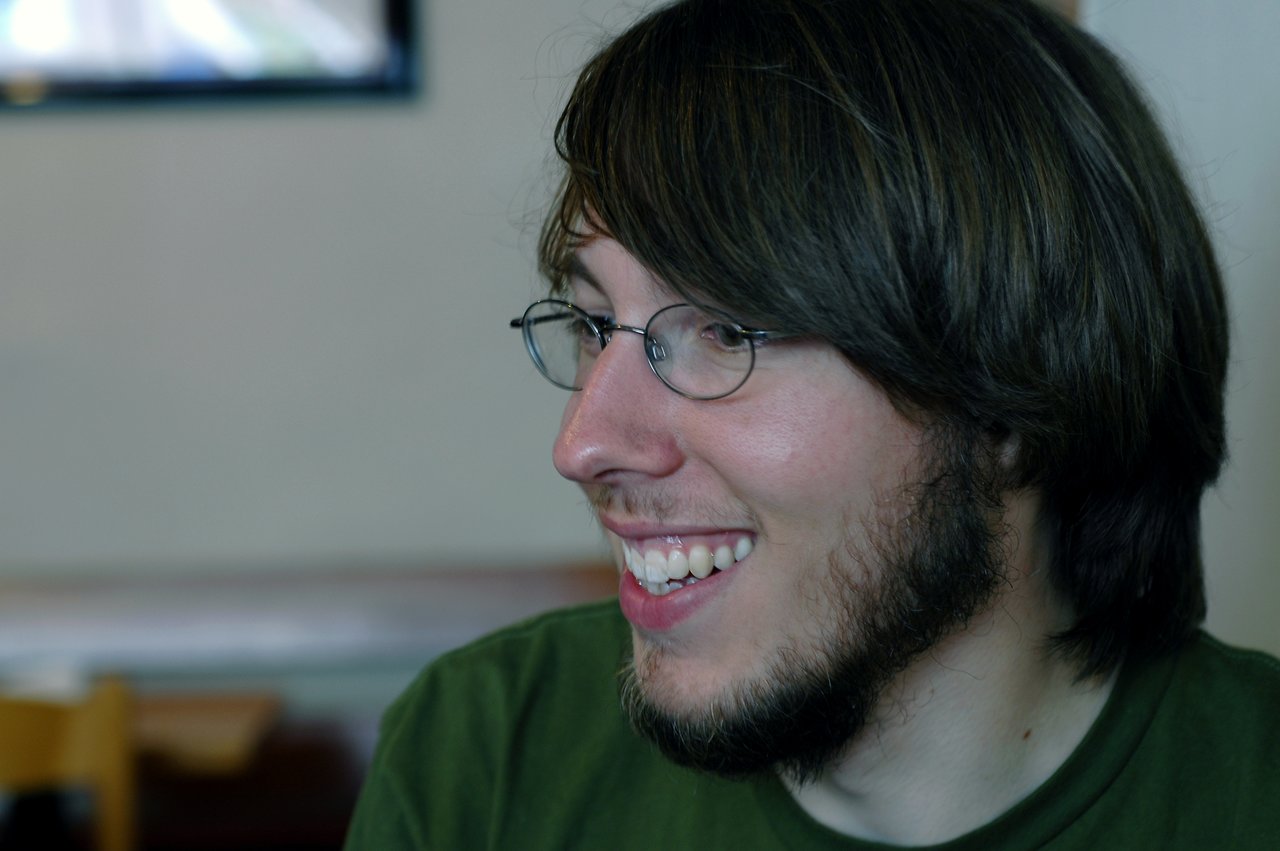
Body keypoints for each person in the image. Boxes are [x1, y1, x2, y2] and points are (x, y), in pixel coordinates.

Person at [345, 0, 1280, 847]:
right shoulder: (488, 750)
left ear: (1015, 406)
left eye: (722, 328)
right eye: (596, 325)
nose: (582, 444)